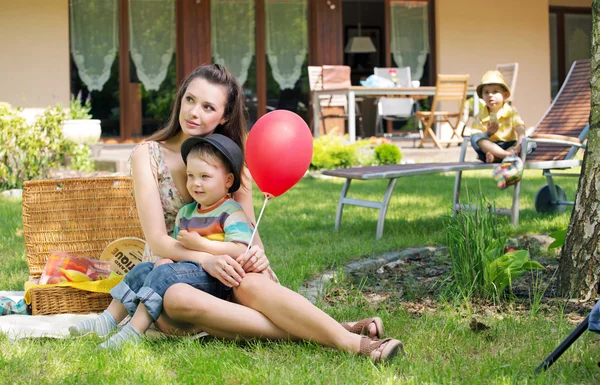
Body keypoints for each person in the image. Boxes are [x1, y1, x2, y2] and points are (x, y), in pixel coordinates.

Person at [69, 63, 403, 362]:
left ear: (224, 116)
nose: (194, 112)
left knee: (247, 281)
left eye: (208, 106)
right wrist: (206, 259)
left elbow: (248, 232)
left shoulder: (233, 160)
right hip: (168, 270)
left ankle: (346, 341)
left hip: (228, 262)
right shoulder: (148, 155)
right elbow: (158, 240)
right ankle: (338, 332)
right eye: (190, 99)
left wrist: (257, 255)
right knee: (175, 296)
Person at [470, 70, 528, 163]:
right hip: (490, 146)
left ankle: (496, 157)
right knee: (475, 138)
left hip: (509, 145)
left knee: (530, 144)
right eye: (486, 92)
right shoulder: (480, 115)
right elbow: (476, 136)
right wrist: (487, 134)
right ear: (482, 96)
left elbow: (520, 128)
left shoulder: (511, 111)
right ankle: (506, 156)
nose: (490, 95)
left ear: (504, 95)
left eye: (495, 91)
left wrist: (521, 140)